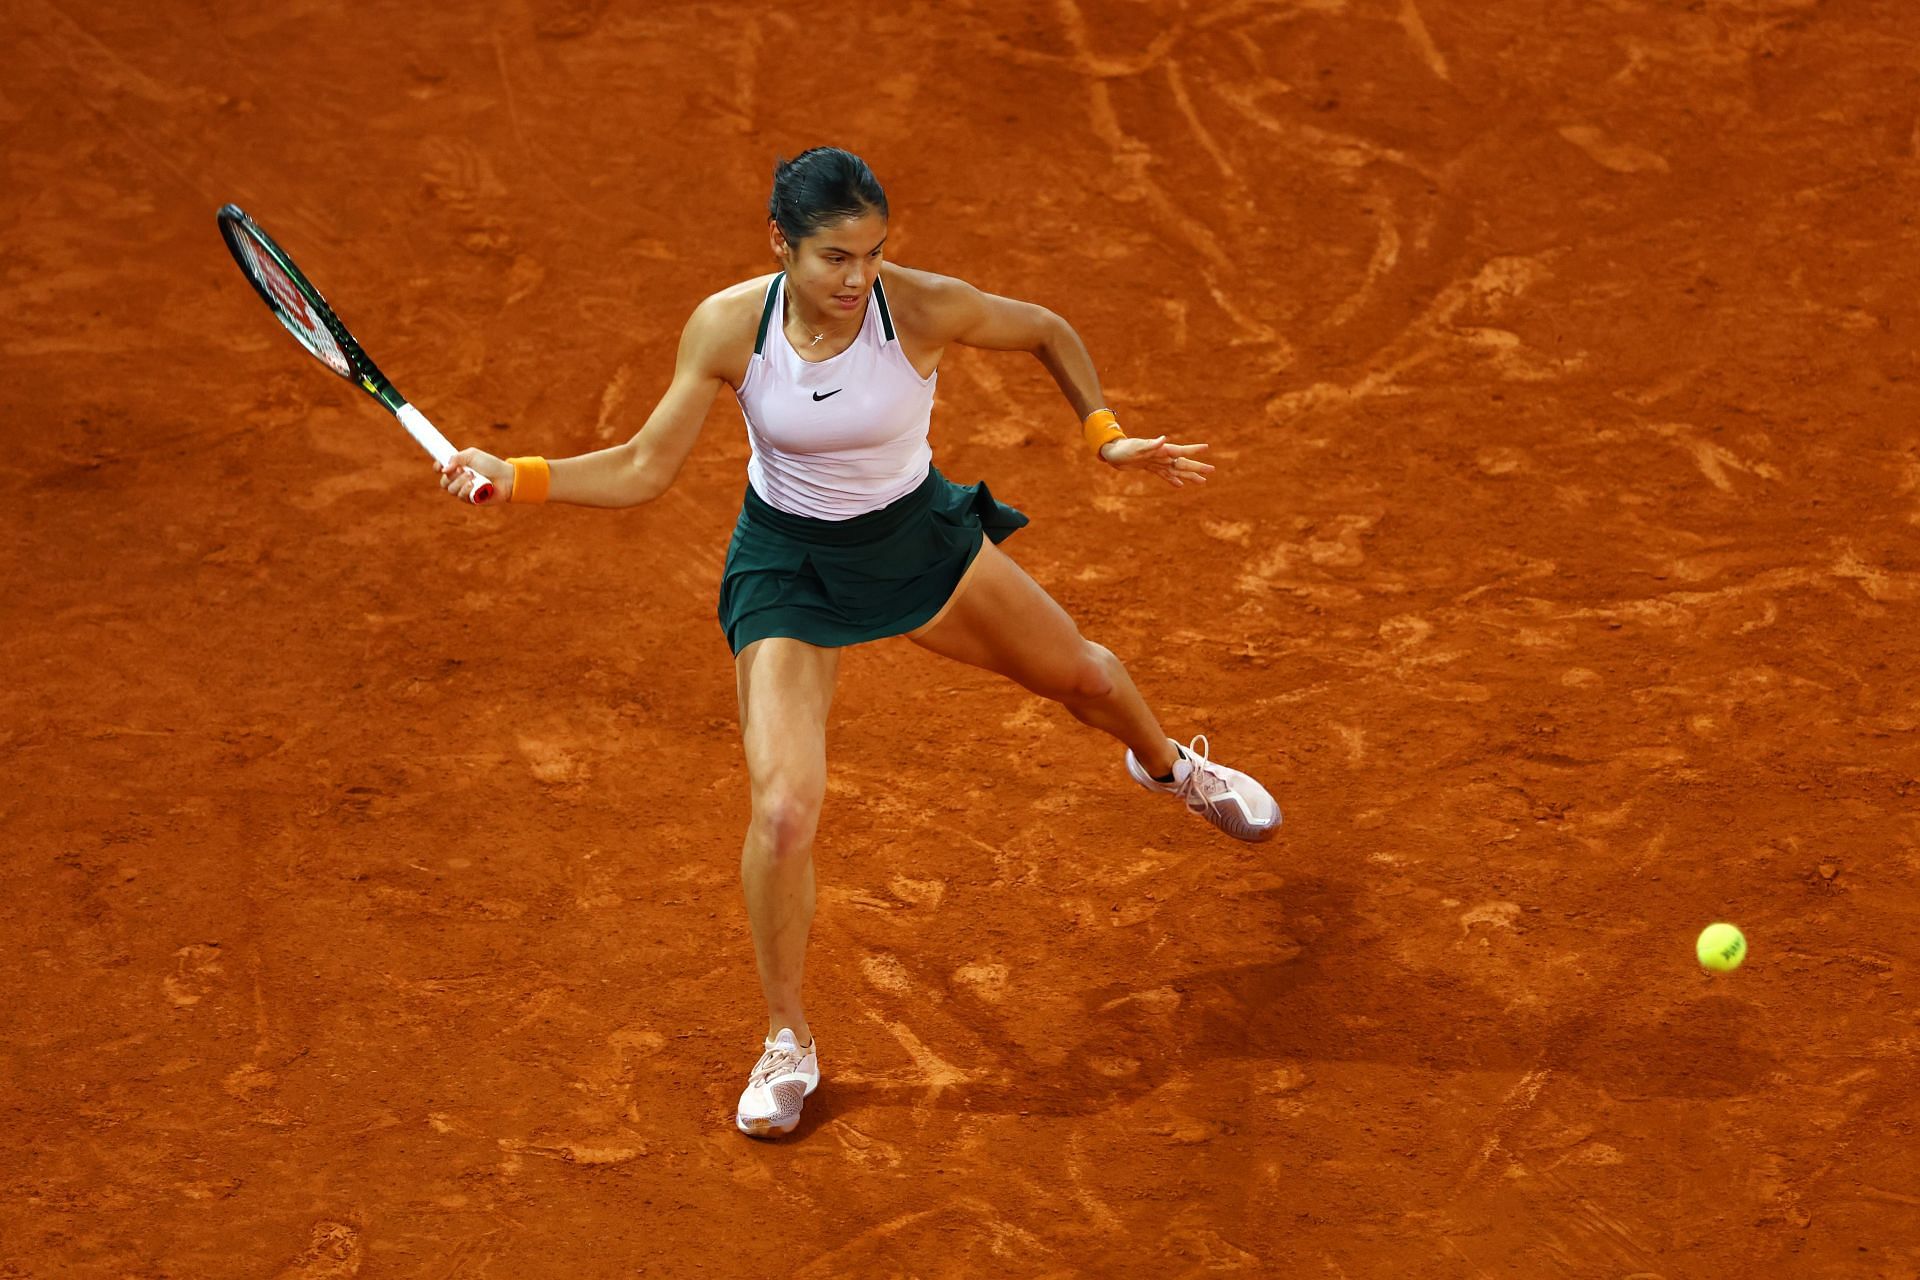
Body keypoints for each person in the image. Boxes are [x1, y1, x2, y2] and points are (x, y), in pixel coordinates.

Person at [438, 147, 1281, 1139]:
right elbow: (640, 465)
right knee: (785, 811)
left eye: (873, 255)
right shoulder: (727, 325)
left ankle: (1169, 765)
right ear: (780, 244)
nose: (857, 279)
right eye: (836, 257)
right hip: (789, 569)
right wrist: (520, 473)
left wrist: (1105, 433)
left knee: (1088, 675)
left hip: (914, 540)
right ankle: (787, 1037)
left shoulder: (917, 309)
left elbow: (1046, 329)